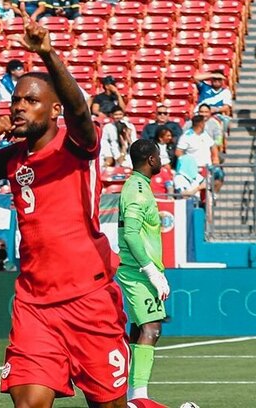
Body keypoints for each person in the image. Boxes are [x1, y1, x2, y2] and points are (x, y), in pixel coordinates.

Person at [0, 12, 129, 408]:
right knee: (28, 404)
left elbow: (79, 112)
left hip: (88, 297)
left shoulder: (77, 145)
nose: (20, 106)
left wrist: (50, 54)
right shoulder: (11, 157)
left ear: (54, 110)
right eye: (16, 99)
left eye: (31, 100)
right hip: (34, 302)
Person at [116, 139, 170, 402]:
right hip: (137, 269)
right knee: (152, 328)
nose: (161, 161)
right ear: (151, 159)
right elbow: (131, 234)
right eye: (159, 156)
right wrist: (151, 271)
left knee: (140, 329)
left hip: (139, 267)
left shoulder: (139, 186)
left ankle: (131, 395)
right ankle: (139, 396)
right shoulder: (137, 190)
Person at [176, 115, 223, 193]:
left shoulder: (204, 134)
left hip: (208, 166)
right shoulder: (186, 136)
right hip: (195, 168)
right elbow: (178, 152)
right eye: (204, 122)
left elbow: (213, 145)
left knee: (220, 175)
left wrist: (215, 158)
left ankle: (214, 196)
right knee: (200, 189)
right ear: (201, 124)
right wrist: (187, 164)